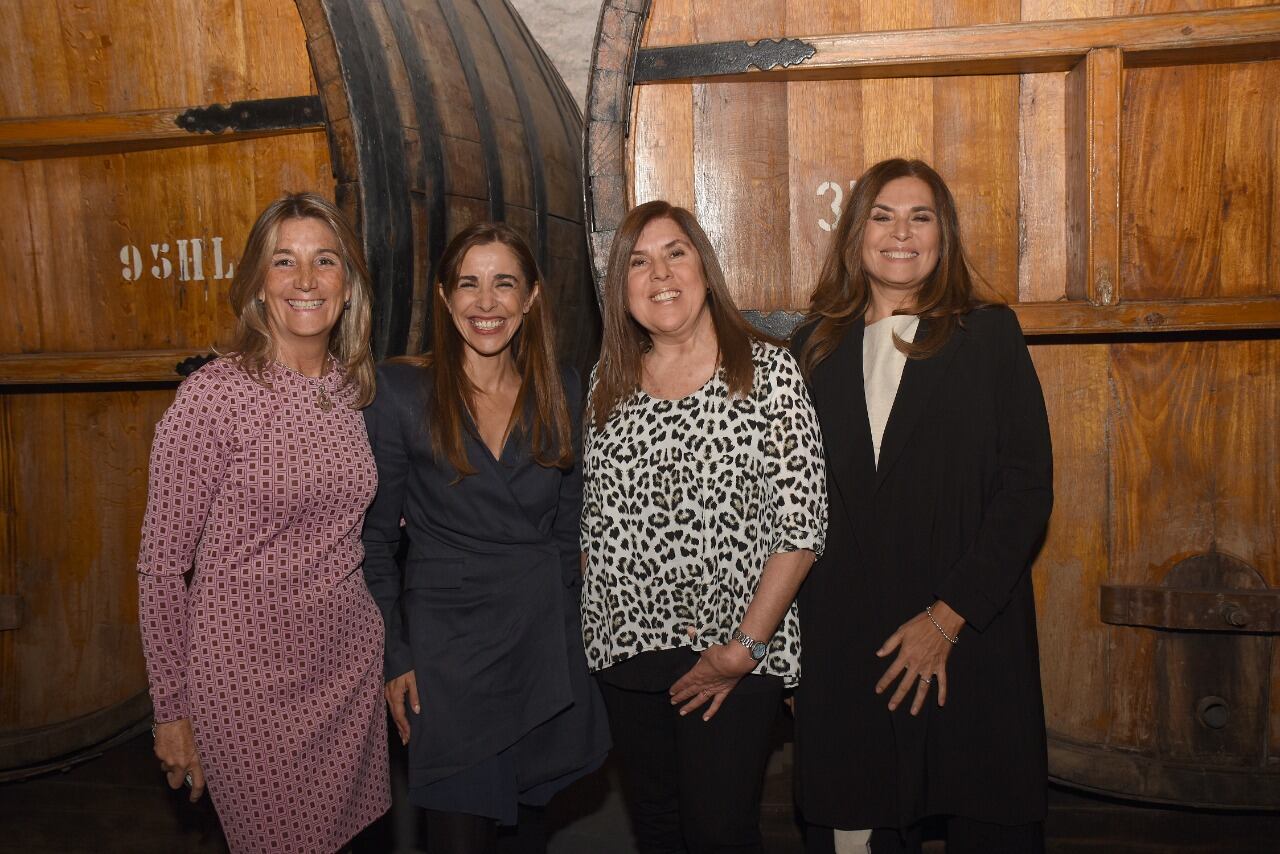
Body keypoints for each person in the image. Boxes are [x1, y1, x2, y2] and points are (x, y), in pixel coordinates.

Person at [791, 158, 1054, 854]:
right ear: (855, 236)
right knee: (854, 830)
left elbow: (1026, 489)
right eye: (881, 216)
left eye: (920, 216)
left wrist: (947, 618)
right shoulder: (813, 348)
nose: (899, 232)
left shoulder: (988, 336)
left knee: (985, 822)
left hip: (971, 644)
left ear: (943, 236)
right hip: (851, 651)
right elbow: (787, 509)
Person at [137, 192, 389, 852]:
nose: (306, 281)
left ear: (348, 282)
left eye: (325, 261)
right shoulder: (213, 398)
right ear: (256, 283)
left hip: (348, 674)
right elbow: (161, 568)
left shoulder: (352, 389)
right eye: (284, 262)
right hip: (245, 691)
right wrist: (171, 711)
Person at [580, 200, 827, 853]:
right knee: (659, 830)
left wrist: (742, 650)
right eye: (638, 261)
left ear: (704, 268)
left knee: (720, 832)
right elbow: (591, 525)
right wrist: (598, 628)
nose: (659, 273)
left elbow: (802, 528)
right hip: (627, 657)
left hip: (733, 653)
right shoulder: (608, 381)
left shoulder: (767, 371)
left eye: (675, 253)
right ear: (620, 287)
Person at [361, 223, 609, 853]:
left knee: (528, 838)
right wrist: (397, 657)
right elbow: (375, 545)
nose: (486, 302)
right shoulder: (401, 393)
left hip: (538, 644)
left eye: (504, 284)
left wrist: (569, 643)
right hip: (450, 660)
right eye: (468, 284)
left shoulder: (564, 388)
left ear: (530, 299)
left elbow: (567, 531)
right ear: (445, 298)